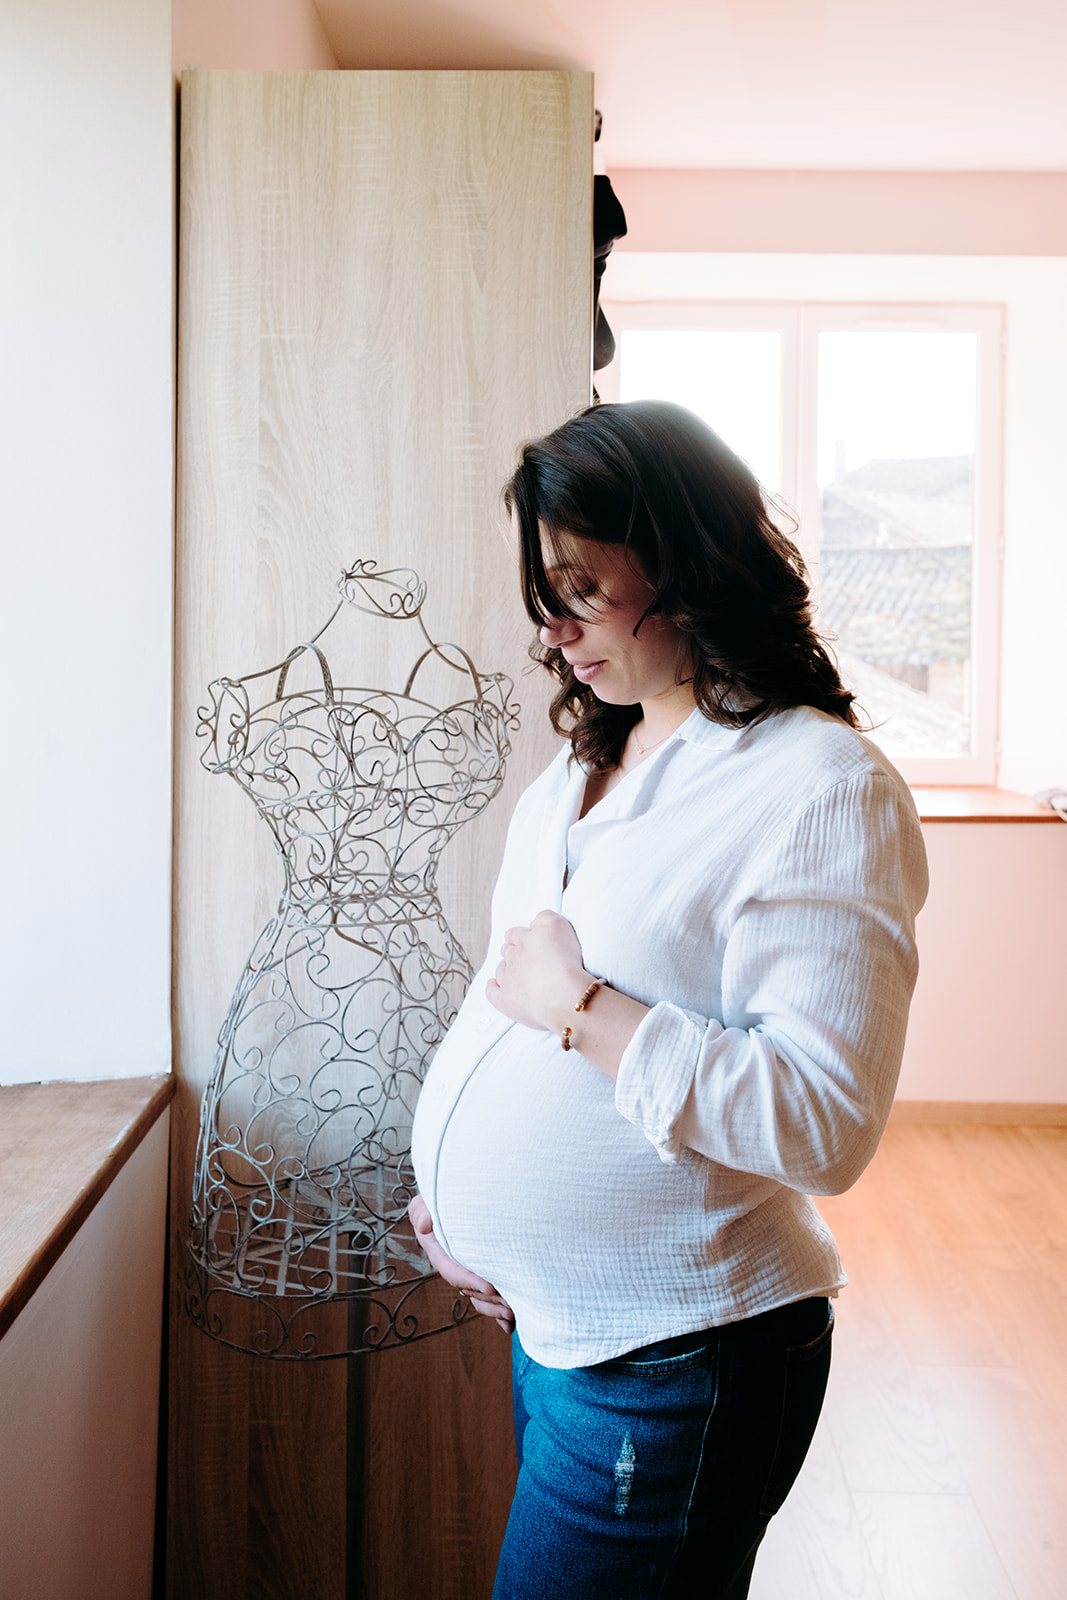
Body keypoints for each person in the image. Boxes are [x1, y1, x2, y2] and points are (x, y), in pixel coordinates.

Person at [408, 399, 928, 1599]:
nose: (551, 628)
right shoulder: (589, 761)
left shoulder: (817, 784)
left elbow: (823, 1122)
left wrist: (581, 1004)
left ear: (684, 560)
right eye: (544, 592)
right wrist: (454, 1207)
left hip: (678, 1360)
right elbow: (505, 1003)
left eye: (580, 587)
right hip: (555, 1332)